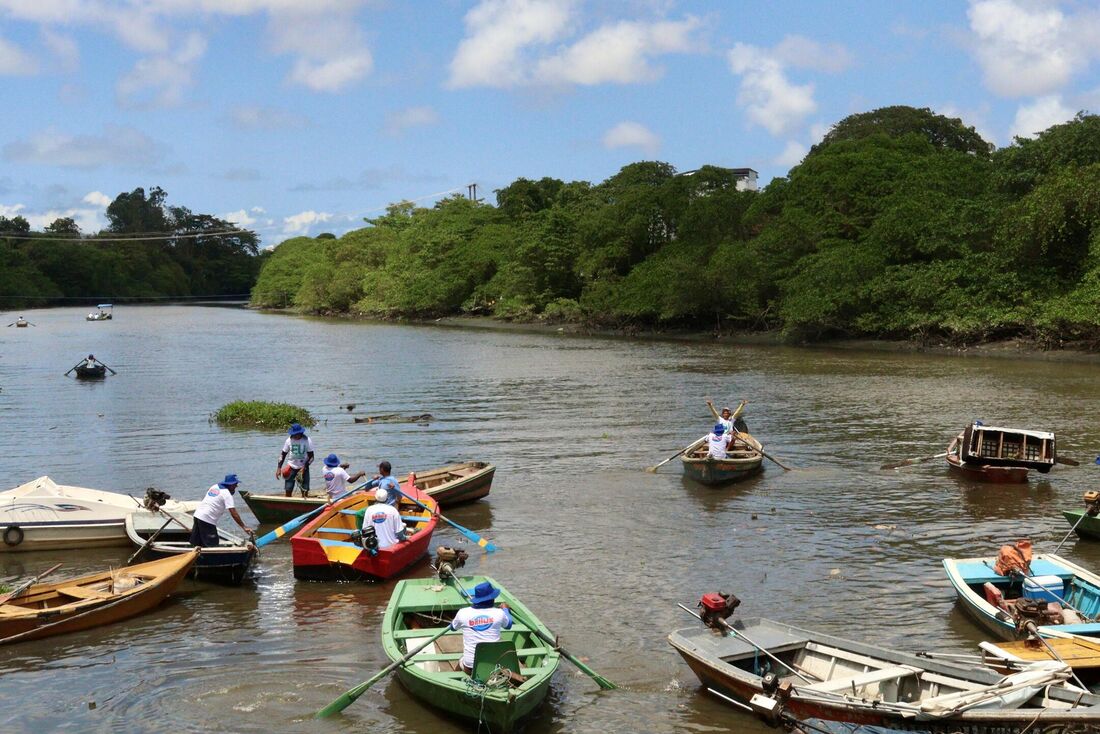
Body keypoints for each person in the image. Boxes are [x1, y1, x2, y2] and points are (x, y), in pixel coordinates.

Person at [450, 581, 513, 676]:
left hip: (470, 668)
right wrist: (505, 609)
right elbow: (508, 625)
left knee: (462, 660)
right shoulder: (499, 613)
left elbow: (453, 628)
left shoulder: (462, 613)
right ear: (492, 599)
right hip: (494, 667)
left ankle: (453, 680)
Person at [190, 474, 253, 547]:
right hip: (207, 519)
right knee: (212, 544)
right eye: (235, 484)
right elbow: (234, 513)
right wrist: (244, 527)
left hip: (198, 515)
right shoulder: (226, 494)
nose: (236, 486)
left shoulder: (215, 486)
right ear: (231, 484)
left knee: (197, 542)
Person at [276, 423, 315, 497]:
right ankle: (287, 504)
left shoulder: (307, 440)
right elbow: (282, 455)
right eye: (294, 434)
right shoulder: (288, 440)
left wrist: (304, 467)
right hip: (291, 467)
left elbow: (311, 457)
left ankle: (304, 505)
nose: (296, 436)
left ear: (301, 433)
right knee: (288, 489)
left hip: (303, 468)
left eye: (298, 434)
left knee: (304, 489)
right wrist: (279, 468)